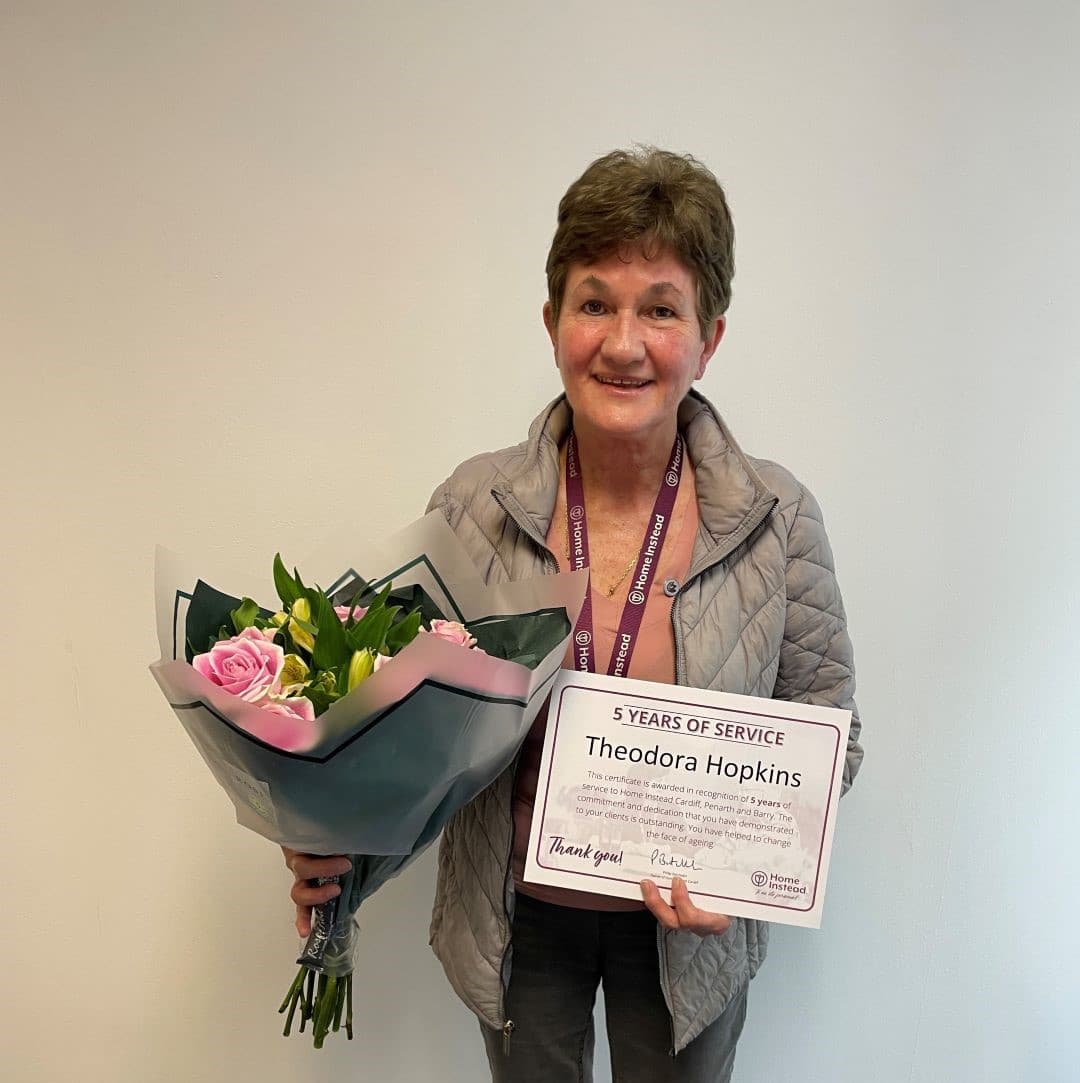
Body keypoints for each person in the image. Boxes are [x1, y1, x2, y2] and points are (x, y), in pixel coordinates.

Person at [285, 147, 863, 1082]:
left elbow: (832, 728)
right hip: (519, 923)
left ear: (708, 338)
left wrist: (744, 868)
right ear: (552, 321)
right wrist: (335, 843)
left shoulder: (777, 517)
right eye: (595, 303)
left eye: (661, 309)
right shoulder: (476, 505)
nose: (624, 343)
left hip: (686, 941)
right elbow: (396, 722)